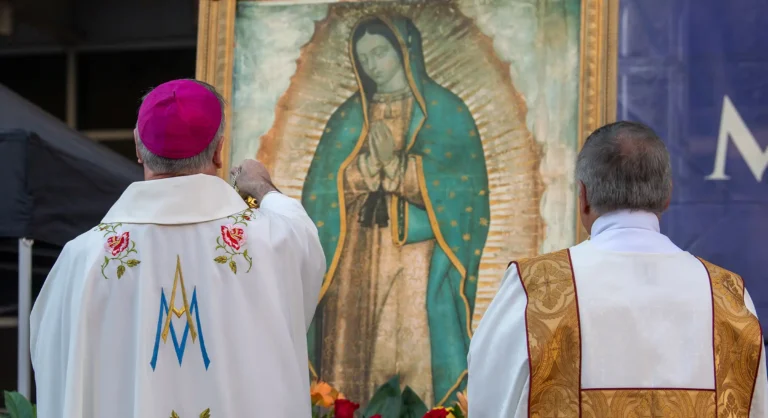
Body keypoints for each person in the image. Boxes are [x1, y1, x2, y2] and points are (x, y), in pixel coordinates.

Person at [30, 79, 326, 417]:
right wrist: (261, 186)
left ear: (138, 148)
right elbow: (304, 240)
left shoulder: (82, 258)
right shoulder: (270, 242)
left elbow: (52, 361)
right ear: (218, 151)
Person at [467, 121, 767, 417]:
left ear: (582, 197)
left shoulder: (534, 289)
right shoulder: (728, 295)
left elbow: (490, 397)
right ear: (667, 195)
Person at [302, 15, 490, 407]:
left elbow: (464, 193)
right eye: (363, 57)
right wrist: (364, 171)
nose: (372, 65)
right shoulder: (347, 119)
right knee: (354, 350)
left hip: (414, 259)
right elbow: (320, 191)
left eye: (379, 53)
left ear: (405, 51)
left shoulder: (445, 112)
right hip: (354, 258)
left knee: (409, 343)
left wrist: (400, 169)